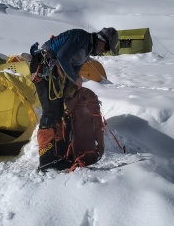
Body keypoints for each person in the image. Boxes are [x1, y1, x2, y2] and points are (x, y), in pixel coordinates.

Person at [29, 27, 118, 171]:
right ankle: (46, 159)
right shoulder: (81, 36)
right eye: (106, 47)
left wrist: (72, 88)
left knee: (58, 111)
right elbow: (63, 56)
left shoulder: (86, 51)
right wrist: (76, 79)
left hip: (53, 72)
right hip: (43, 67)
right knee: (50, 111)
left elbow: (74, 69)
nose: (104, 51)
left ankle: (57, 154)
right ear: (101, 40)